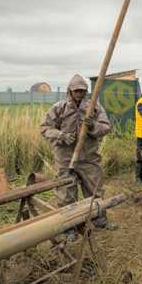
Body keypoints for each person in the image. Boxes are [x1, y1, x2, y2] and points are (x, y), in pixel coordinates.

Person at [40, 74, 115, 231]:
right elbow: (45, 128)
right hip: (65, 158)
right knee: (66, 193)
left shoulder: (94, 107)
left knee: (95, 189)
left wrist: (93, 125)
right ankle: (69, 227)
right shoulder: (59, 108)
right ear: (70, 91)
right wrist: (61, 135)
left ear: (86, 91)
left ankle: (99, 219)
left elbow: (105, 127)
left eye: (82, 91)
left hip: (89, 157)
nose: (79, 94)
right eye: (76, 91)